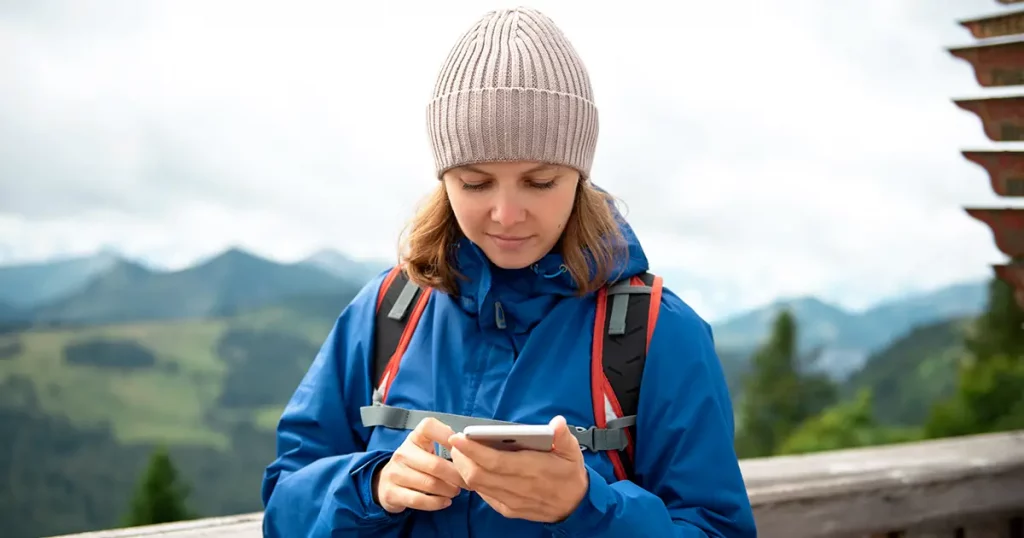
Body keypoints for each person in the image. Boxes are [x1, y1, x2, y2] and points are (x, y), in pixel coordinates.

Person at [260, 6, 757, 537]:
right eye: (474, 183)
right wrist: (372, 487)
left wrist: (588, 510)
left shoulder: (659, 332)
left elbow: (717, 528)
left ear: (579, 177)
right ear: (444, 179)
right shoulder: (386, 311)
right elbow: (284, 507)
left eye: (540, 182)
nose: (506, 214)